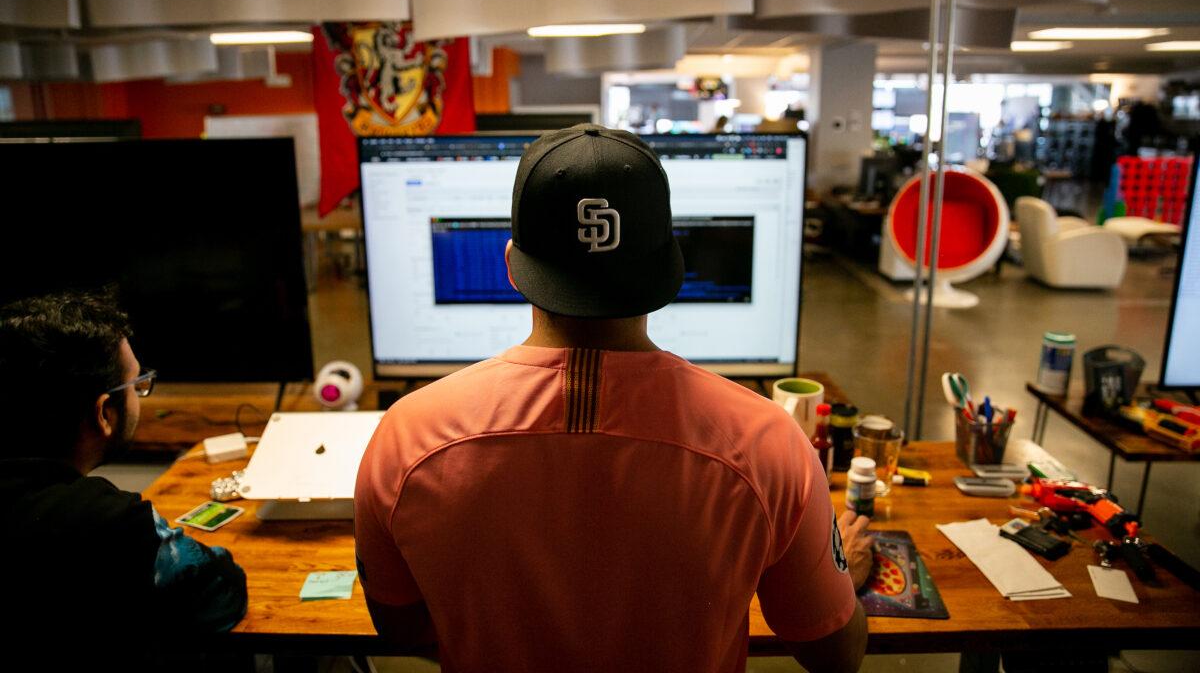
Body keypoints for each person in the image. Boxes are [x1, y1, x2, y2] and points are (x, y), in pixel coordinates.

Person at [356, 124, 871, 672]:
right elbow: (834, 653)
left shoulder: (407, 439)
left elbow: (400, 625)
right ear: (670, 267)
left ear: (511, 265)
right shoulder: (766, 444)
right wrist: (845, 571)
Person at [0, 292, 247, 651]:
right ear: (104, 413)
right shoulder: (107, 521)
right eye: (137, 384)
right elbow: (221, 592)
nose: (140, 392)